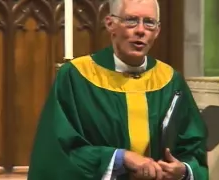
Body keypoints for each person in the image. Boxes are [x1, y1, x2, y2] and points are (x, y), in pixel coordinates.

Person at [27, 0, 208, 179]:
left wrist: (183, 170)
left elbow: (193, 148)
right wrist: (119, 159)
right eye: (131, 20)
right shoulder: (76, 77)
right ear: (110, 24)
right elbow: (57, 153)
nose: (140, 30)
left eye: (149, 22)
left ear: (157, 31)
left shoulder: (170, 80)